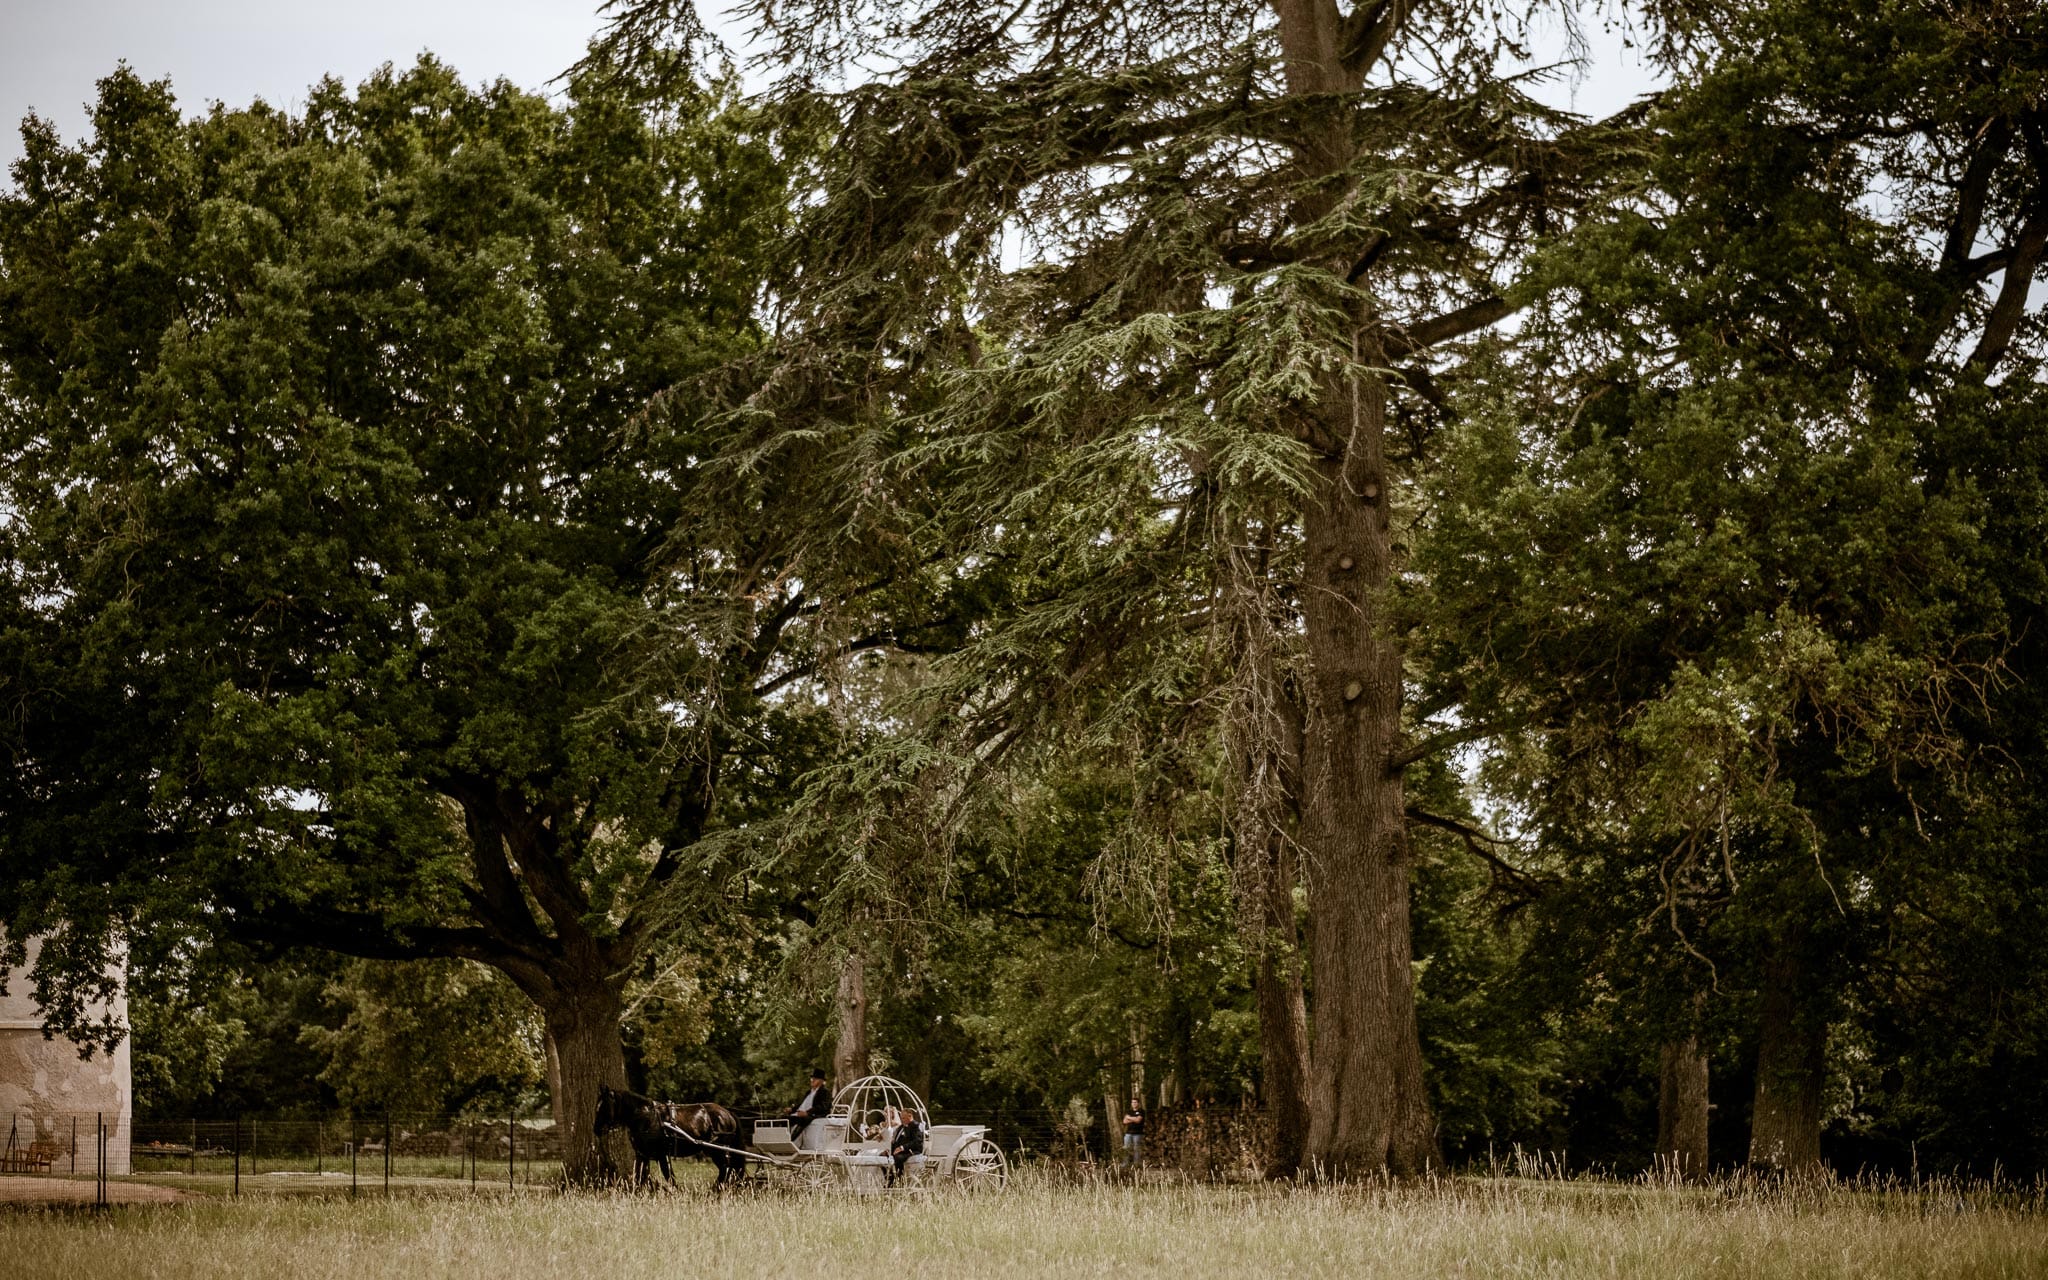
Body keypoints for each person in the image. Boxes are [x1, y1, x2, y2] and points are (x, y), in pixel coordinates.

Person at [887, 1104, 925, 1187]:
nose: (901, 1120)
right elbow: (896, 1141)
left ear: (910, 1116)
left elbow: (917, 1142)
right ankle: (888, 1178)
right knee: (884, 1157)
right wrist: (889, 1150)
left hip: (911, 1151)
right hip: (900, 1151)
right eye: (901, 1118)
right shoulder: (901, 1127)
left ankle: (898, 1180)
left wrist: (902, 1148)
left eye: (903, 1118)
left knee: (897, 1158)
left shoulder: (916, 1126)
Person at [788, 1069, 830, 1139]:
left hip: (813, 1114)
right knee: (783, 1118)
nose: (812, 1080)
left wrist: (807, 1112)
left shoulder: (824, 1092)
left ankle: (791, 1139)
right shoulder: (809, 1092)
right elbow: (802, 1104)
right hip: (801, 1113)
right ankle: (779, 1139)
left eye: (815, 1079)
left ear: (821, 1081)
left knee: (801, 1120)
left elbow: (823, 1106)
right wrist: (792, 1109)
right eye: (812, 1078)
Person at [1122, 1100, 1145, 1167]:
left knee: (1136, 1149)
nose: (1134, 1104)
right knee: (1126, 1148)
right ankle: (1125, 1163)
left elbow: (1138, 1120)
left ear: (1138, 1103)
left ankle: (1136, 1164)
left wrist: (1129, 1118)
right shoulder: (1129, 1111)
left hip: (1138, 1133)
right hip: (1128, 1133)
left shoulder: (1141, 1111)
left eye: (1135, 1102)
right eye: (1132, 1102)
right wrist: (1134, 1118)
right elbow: (1125, 1121)